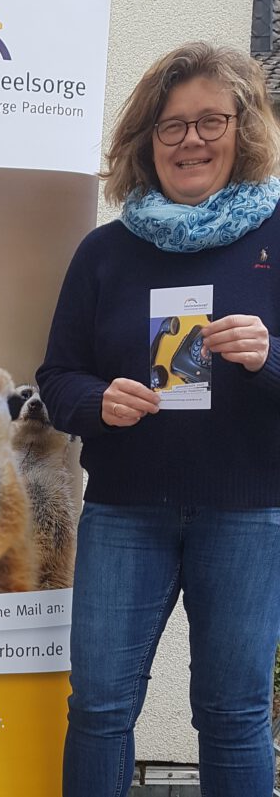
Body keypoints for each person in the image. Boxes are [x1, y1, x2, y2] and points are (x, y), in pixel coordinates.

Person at [37, 42, 280, 796]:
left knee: (234, 712)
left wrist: (271, 355)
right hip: (124, 509)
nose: (192, 141)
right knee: (101, 706)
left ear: (244, 130)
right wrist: (97, 403)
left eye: (211, 120)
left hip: (247, 510)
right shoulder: (105, 252)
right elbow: (57, 376)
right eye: (171, 126)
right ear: (146, 142)